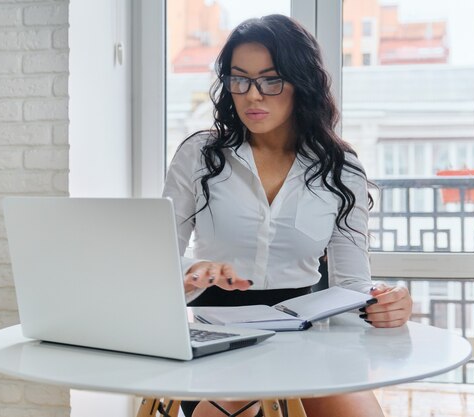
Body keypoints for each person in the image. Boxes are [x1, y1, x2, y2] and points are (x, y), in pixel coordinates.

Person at [163, 14, 413, 417]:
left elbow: (352, 287)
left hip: (310, 341)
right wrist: (194, 269)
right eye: (239, 79)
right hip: (217, 338)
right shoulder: (200, 155)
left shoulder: (340, 168)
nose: (252, 95)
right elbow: (157, 261)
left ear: (301, 82)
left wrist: (385, 303)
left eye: (271, 79)